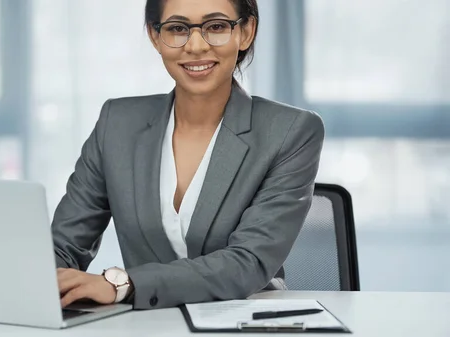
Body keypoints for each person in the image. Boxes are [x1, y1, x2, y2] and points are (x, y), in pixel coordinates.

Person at [52, 0, 325, 310]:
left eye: (217, 27)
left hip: (243, 319)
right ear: (155, 37)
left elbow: (247, 262)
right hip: (145, 326)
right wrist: (39, 281)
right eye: (178, 29)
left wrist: (124, 284)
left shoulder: (291, 131)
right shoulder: (117, 123)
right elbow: (63, 245)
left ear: (246, 32)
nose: (195, 45)